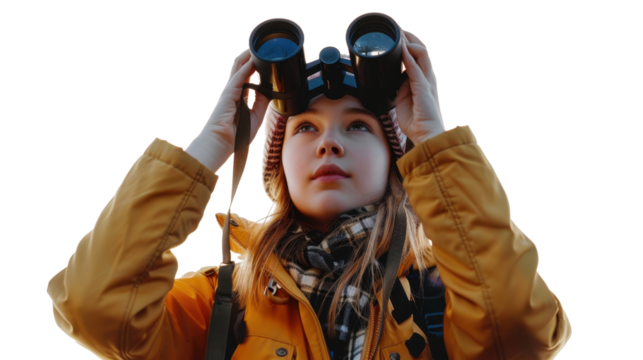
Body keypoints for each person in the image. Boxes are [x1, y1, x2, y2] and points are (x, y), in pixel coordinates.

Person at [46, 25, 572, 360]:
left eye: (359, 127)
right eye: (305, 129)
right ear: (278, 166)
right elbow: (96, 307)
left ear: (396, 162)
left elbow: (521, 332)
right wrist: (210, 146)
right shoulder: (219, 305)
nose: (329, 146)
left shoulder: (443, 294)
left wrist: (433, 142)